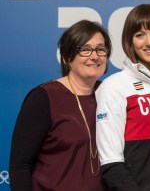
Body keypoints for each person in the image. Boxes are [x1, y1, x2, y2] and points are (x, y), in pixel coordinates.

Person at [9, 20, 111, 191]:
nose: (95, 56)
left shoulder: (110, 94)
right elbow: (20, 165)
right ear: (66, 56)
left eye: (100, 49)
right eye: (85, 49)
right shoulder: (43, 98)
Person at [95, 4, 150, 190]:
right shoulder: (114, 87)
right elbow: (111, 166)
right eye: (140, 35)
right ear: (130, 41)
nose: (149, 42)